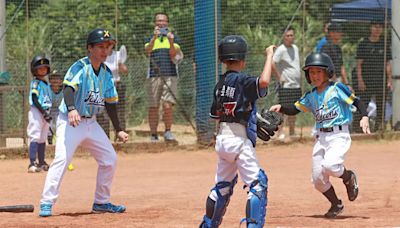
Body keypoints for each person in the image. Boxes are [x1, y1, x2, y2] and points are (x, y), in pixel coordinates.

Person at [39, 28, 129, 217]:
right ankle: (46, 202)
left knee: (109, 159)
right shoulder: (80, 66)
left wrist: (119, 129)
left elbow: (111, 103)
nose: (105, 51)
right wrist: (71, 109)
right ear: (90, 48)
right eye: (100, 46)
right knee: (62, 159)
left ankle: (101, 202)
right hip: (70, 121)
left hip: (91, 123)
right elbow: (68, 88)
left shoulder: (106, 73)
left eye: (108, 47)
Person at [269, 53, 370, 218]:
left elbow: (357, 102)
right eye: (311, 72)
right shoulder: (311, 96)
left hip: (339, 135)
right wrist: (280, 107)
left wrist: (364, 116)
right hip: (321, 138)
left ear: (328, 72)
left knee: (330, 166)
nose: (314, 76)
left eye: (318, 72)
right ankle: (336, 204)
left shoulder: (337, 88)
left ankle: (348, 176)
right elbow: (295, 109)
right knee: (317, 180)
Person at [199, 35, 275, 227]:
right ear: (242, 60)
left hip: (223, 140)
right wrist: (269, 55)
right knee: (258, 185)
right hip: (239, 141)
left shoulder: (219, 85)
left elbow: (216, 115)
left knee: (222, 187)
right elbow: (264, 82)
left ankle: (208, 224)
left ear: (222, 59)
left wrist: (249, 117)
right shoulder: (242, 80)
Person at [144, 12, 183, 142]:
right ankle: (153, 134)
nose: (161, 23)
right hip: (153, 76)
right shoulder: (150, 37)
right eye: (158, 21)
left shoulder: (174, 38)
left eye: (163, 21)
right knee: (153, 106)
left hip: (170, 75)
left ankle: (168, 131)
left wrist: (171, 41)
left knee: (167, 105)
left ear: (167, 23)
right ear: (155, 23)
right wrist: (154, 38)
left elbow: (173, 54)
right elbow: (147, 51)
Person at [355, 20, 393, 132]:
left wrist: (389, 80)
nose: (377, 29)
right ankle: (358, 128)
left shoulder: (384, 44)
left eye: (380, 27)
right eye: (375, 27)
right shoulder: (363, 44)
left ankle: (379, 129)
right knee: (363, 104)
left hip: (381, 80)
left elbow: (388, 64)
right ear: (370, 28)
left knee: (381, 106)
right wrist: (360, 80)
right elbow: (359, 64)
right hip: (367, 80)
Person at [272, 27, 301, 139]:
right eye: (287, 35)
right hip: (286, 86)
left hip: (296, 85)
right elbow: (272, 63)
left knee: (294, 109)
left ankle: (292, 132)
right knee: (282, 109)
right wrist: (279, 77)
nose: (290, 37)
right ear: (284, 37)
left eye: (291, 35)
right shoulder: (281, 49)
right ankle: (279, 133)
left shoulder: (295, 48)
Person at [27, 55, 52, 173]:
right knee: (35, 136)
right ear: (34, 70)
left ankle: (41, 162)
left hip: (45, 111)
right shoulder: (36, 83)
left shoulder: (46, 84)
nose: (43, 70)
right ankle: (32, 163)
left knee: (43, 138)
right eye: (39, 68)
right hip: (37, 111)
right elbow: (35, 98)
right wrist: (43, 112)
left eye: (45, 68)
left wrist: (47, 113)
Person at [97, 44, 129, 138]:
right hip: (103, 86)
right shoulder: (99, 56)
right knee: (103, 114)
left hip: (117, 85)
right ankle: (104, 137)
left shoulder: (118, 55)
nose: (106, 46)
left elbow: (125, 71)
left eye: (109, 44)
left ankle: (120, 136)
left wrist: (120, 65)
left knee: (119, 112)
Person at [47, 70, 64, 145]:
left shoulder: (64, 90)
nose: (55, 80)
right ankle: (50, 145)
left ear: (61, 81)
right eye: (53, 78)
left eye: (57, 78)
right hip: (50, 112)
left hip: (61, 112)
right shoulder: (48, 89)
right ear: (50, 81)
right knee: (49, 128)